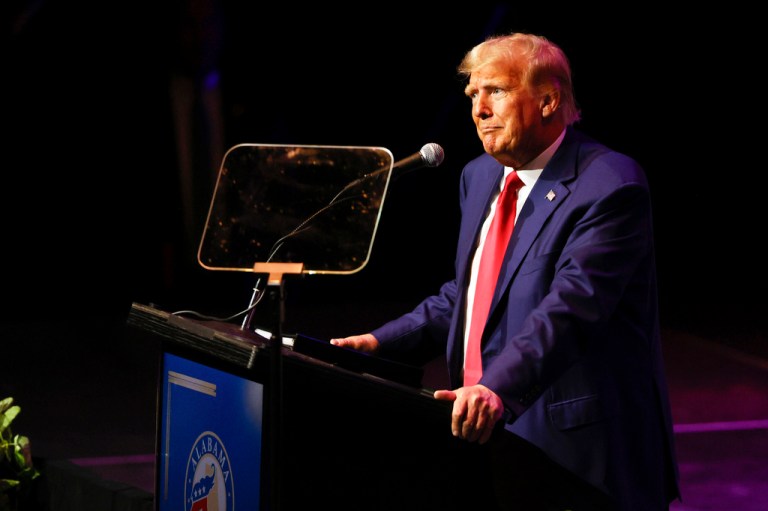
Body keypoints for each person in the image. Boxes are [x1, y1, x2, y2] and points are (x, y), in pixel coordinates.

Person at [330, 32, 681, 510]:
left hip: (576, 457)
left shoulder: (610, 185)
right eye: (473, 95)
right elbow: (470, 292)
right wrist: (377, 344)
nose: (478, 109)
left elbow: (571, 308)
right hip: (483, 438)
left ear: (548, 99)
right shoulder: (479, 177)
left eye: (494, 90)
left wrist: (496, 387)